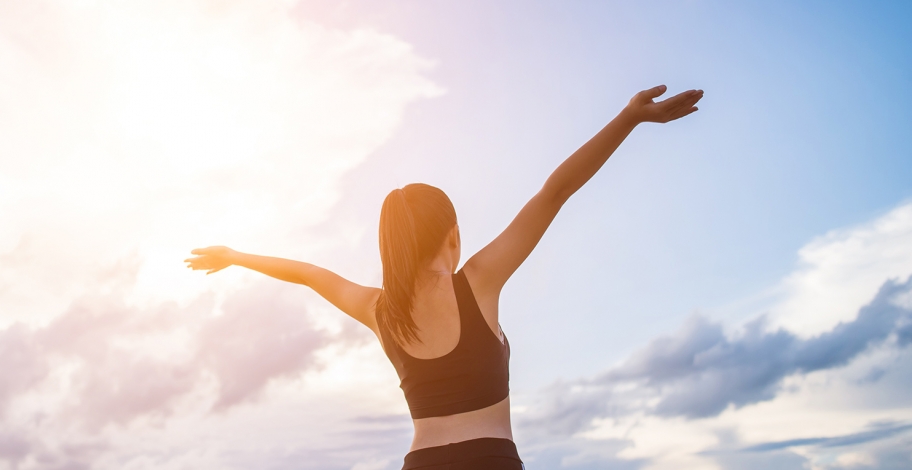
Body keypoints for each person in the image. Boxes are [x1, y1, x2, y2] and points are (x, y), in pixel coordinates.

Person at [186, 85, 704, 469]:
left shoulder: (378, 309)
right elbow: (553, 193)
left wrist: (234, 255)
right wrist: (628, 119)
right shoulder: (479, 281)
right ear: (453, 236)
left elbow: (308, 274)